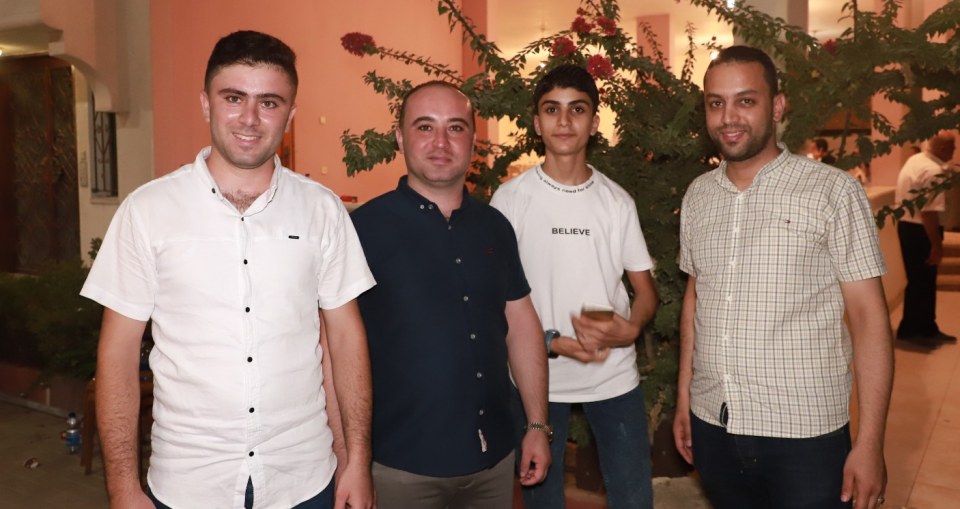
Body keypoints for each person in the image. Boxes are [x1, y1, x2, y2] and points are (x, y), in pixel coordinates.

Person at [81, 31, 375, 509]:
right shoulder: (147, 211)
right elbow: (117, 354)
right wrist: (123, 487)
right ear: (206, 104)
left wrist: (356, 460)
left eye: (269, 102)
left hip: (303, 477)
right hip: (189, 483)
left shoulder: (322, 211)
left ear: (291, 115)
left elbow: (344, 341)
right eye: (234, 98)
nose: (250, 118)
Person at [673, 46, 894, 509]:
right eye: (716, 103)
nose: (728, 117)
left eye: (745, 101)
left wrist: (871, 442)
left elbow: (869, 319)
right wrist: (684, 400)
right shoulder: (698, 196)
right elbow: (695, 300)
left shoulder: (833, 192)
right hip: (715, 425)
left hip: (805, 437)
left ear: (776, 106)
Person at [350, 81, 551, 508]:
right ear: (400, 137)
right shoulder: (361, 230)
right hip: (398, 467)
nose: (441, 142)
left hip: (494, 463)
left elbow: (521, 325)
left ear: (473, 141)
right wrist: (350, 459)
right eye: (425, 127)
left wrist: (537, 425)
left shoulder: (496, 227)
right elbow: (335, 349)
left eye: (455, 128)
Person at [490, 64, 658, 509]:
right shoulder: (510, 200)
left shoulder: (616, 201)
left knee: (634, 499)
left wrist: (631, 328)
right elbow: (493, 299)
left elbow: (645, 291)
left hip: (613, 376)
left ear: (594, 122)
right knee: (542, 501)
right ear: (536, 122)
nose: (564, 121)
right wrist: (552, 342)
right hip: (535, 380)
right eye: (552, 110)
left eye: (577, 110)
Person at [894, 131, 957, 345]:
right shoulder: (933, 172)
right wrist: (936, 245)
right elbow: (929, 212)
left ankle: (916, 328)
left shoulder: (916, 160)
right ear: (942, 148)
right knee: (924, 282)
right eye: (953, 147)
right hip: (921, 230)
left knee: (917, 281)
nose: (955, 150)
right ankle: (921, 330)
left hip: (907, 227)